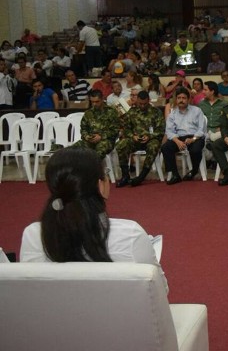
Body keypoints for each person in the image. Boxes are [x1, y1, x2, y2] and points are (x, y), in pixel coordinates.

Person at [19, 147, 167, 293]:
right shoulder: (130, 235)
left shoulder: (33, 235)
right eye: (106, 173)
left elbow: (29, 291)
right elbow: (159, 291)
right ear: (100, 185)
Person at [116, 91, 166, 187]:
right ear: (137, 101)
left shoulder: (156, 112)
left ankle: (141, 176)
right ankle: (125, 175)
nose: (142, 106)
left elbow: (161, 130)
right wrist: (132, 136)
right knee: (121, 144)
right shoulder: (132, 112)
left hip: (151, 140)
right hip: (135, 140)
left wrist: (149, 136)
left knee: (154, 146)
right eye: (140, 103)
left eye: (145, 104)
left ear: (149, 101)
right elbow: (126, 129)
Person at [161, 87, 206, 184]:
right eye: (179, 98)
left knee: (195, 150)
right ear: (176, 99)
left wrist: (193, 139)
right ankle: (175, 174)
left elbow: (201, 129)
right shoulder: (173, 113)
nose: (181, 100)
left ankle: (194, 170)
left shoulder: (197, 111)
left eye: (184, 98)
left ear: (188, 99)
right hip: (179, 138)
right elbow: (169, 131)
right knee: (166, 147)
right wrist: (177, 141)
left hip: (195, 137)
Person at [71, 90, 120, 159]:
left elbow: (115, 130)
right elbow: (83, 129)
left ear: (102, 99)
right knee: (72, 150)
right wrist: (87, 136)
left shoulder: (111, 112)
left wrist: (101, 136)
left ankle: (93, 165)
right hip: (90, 141)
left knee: (98, 152)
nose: (94, 104)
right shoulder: (88, 113)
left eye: (97, 102)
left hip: (106, 141)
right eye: (92, 102)